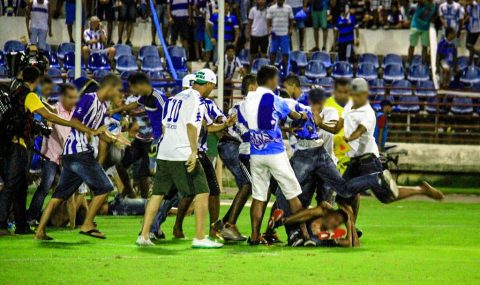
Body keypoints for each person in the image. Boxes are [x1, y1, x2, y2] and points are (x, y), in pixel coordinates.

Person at [0, 67, 98, 236]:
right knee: (11, 186)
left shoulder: (18, 92)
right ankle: (2, 224)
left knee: (20, 187)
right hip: (18, 146)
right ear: (37, 80)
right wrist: (71, 124)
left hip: (15, 145)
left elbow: (48, 109)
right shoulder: (29, 95)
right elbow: (50, 116)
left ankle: (22, 225)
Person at [136, 69, 226, 248]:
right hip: (182, 153)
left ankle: (144, 235)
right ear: (208, 84)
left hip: (165, 152)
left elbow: (163, 126)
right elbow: (192, 126)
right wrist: (193, 152)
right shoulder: (197, 100)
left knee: (158, 193)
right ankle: (200, 237)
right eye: (212, 87)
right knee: (203, 191)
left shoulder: (175, 98)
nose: (211, 90)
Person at [34, 74, 129, 240]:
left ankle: (40, 232)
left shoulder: (101, 107)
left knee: (59, 195)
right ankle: (87, 225)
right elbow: (75, 121)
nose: (118, 94)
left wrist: (115, 139)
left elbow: (101, 132)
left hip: (73, 155)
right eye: (117, 89)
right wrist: (90, 131)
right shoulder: (89, 98)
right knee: (105, 187)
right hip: (79, 153)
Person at [338, 78, 444, 221]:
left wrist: (373, 147)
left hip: (367, 159)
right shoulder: (350, 106)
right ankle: (352, 231)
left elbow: (363, 131)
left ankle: (420, 190)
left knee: (387, 196)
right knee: (344, 194)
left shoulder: (368, 112)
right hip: (354, 159)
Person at [241, 65, 307, 245]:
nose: (277, 82)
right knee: (292, 194)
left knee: (259, 196)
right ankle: (305, 235)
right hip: (275, 153)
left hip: (256, 153)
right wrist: (302, 116)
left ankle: (254, 236)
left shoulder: (248, 100)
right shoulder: (275, 99)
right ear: (270, 80)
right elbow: (293, 114)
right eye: (276, 79)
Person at [27, 83, 79, 225]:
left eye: (75, 97)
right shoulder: (56, 110)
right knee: (45, 187)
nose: (73, 100)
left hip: (66, 157)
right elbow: (49, 113)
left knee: (69, 192)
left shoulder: (75, 113)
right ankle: (31, 217)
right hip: (51, 156)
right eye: (71, 97)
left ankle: (70, 224)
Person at [213, 74, 257, 241]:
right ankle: (229, 225)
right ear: (252, 88)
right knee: (248, 184)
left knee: (247, 185)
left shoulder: (239, 106)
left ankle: (222, 224)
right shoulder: (245, 106)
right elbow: (247, 132)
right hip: (232, 146)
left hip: (231, 146)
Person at [270, 203, 358, 247]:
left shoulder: (332, 234)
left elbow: (350, 243)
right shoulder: (319, 213)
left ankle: (284, 221)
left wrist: (350, 224)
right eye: (335, 219)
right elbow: (309, 212)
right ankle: (283, 220)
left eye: (338, 223)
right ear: (330, 214)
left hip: (302, 241)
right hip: (296, 230)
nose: (335, 223)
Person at [267, 0, 294, 73]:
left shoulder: (288, 8)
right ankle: (271, 70)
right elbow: (269, 20)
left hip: (284, 34)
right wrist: (269, 29)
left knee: (285, 53)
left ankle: (285, 70)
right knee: (272, 52)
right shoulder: (271, 8)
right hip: (274, 34)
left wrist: (291, 29)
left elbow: (291, 19)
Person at [407, 0, 436, 65]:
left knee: (425, 47)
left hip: (425, 28)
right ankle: (408, 62)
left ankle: (423, 64)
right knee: (412, 46)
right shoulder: (422, 2)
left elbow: (433, 16)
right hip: (415, 26)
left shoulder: (434, 6)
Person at [464, 0, 480, 64]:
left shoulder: (477, 6)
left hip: (476, 29)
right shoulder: (468, 7)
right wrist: (464, 22)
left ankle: (475, 57)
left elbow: (474, 4)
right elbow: (468, 16)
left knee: (469, 45)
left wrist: (470, 3)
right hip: (470, 28)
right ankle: (471, 61)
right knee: (469, 46)